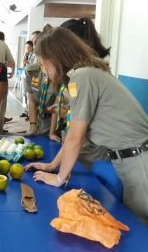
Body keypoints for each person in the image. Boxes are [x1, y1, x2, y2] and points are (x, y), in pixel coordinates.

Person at [24, 27, 148, 252]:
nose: (45, 72)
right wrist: (52, 165)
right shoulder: (86, 74)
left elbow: (76, 138)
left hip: (143, 165)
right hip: (139, 161)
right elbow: (75, 136)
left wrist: (59, 178)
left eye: (43, 63)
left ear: (55, 58)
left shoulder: (81, 77)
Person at [46, 17, 111, 169]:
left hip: (91, 152)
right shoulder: (76, 74)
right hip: (78, 148)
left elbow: (78, 132)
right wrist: (53, 165)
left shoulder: (84, 75)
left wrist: (58, 178)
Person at [0, 31, 15, 134]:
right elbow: (11, 62)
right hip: (0, 78)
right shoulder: (3, 45)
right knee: (0, 105)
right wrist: (12, 72)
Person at [20, 30, 41, 119]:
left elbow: (36, 66)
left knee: (32, 95)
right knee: (25, 94)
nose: (33, 41)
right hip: (27, 76)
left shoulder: (38, 52)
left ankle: (31, 113)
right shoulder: (30, 54)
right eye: (32, 39)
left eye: (34, 39)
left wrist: (28, 64)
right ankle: (26, 111)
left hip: (35, 78)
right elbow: (23, 65)